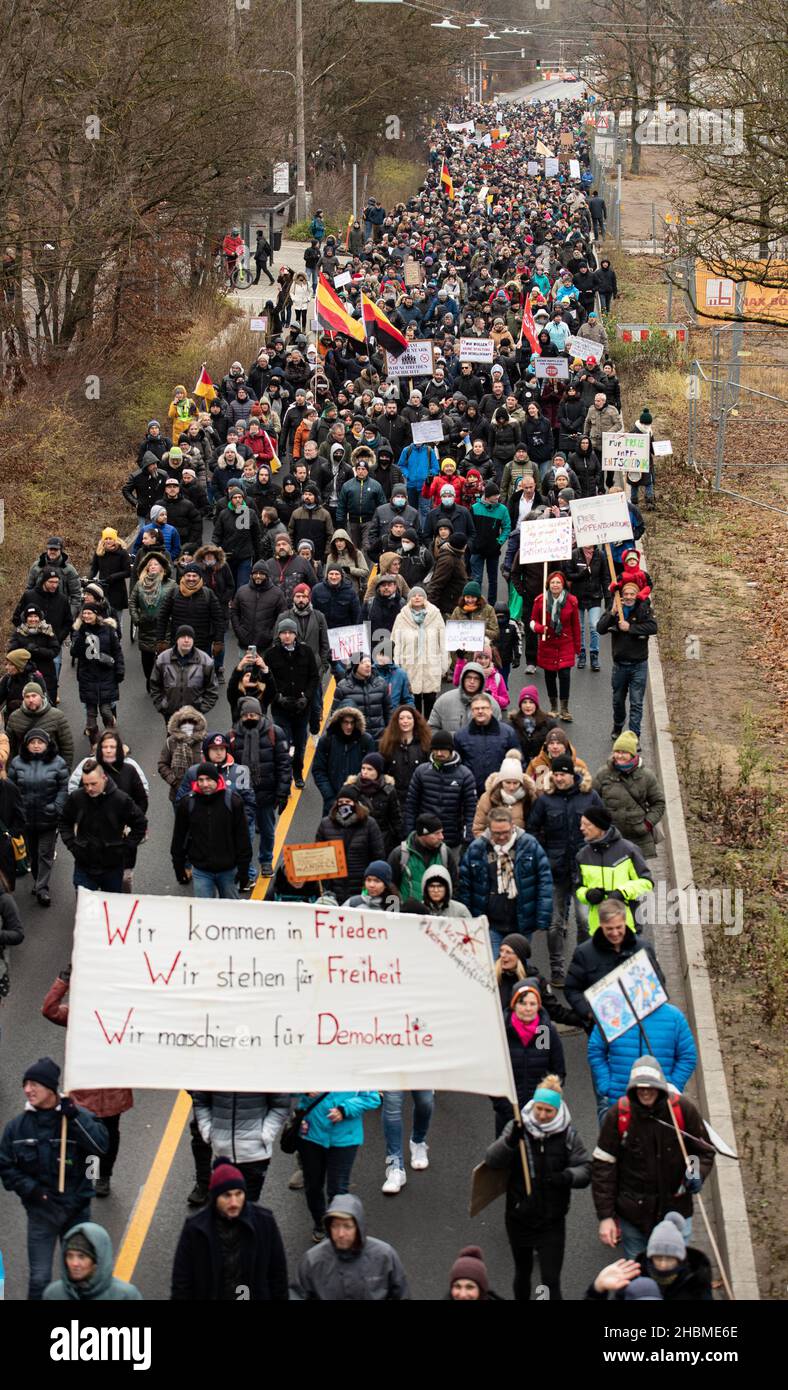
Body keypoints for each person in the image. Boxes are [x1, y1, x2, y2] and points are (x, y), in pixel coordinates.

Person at [0, 1057, 108, 1300]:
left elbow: (100, 1148)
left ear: (50, 1088)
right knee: (39, 1279)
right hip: (41, 1213)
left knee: (78, 1278)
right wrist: (35, 1192)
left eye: (34, 1084)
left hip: (76, 1212)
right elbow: (6, 1167)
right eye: (25, 1084)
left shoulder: (76, 1117)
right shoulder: (16, 1128)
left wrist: (76, 1119)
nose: (27, 1089)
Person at [592, 1055, 715, 1260]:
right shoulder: (618, 1115)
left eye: (650, 1087)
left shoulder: (683, 1110)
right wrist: (606, 1216)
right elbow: (603, 1167)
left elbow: (702, 1151)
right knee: (640, 1277)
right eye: (640, 1087)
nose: (645, 1092)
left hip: (676, 1212)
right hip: (633, 1216)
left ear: (660, 1087)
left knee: (673, 1275)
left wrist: (695, 1173)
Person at [485, 1073, 590, 1302]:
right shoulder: (518, 1126)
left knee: (551, 1280)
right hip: (519, 1215)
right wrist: (510, 1142)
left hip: (552, 1220)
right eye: (539, 1109)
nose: (542, 1115)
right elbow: (492, 1160)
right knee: (522, 1273)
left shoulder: (569, 1135)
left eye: (548, 1111)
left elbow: (585, 1169)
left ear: (557, 1109)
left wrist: (567, 1177)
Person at [41, 968, 134, 1197]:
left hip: (113, 1088)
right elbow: (49, 1010)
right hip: (86, 1090)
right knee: (86, 1134)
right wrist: (63, 980)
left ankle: (104, 1176)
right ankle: (91, 1175)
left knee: (110, 1135)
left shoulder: (125, 1015)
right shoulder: (79, 1015)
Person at [527, 753, 606, 985]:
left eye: (563, 774)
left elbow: (605, 826)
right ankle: (557, 969)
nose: (559, 779)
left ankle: (581, 966)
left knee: (584, 922)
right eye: (556, 774)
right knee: (554, 923)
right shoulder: (545, 801)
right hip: (555, 870)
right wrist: (542, 855)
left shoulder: (589, 797)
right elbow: (532, 829)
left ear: (573, 775)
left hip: (584, 871)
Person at [171, 1159, 288, 1301]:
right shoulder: (195, 1228)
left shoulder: (264, 1222)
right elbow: (182, 1280)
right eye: (227, 1195)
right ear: (215, 1198)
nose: (234, 1202)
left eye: (238, 1194)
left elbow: (278, 1274)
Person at [458, 807, 553, 957]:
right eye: (497, 833)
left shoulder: (529, 845)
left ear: (512, 826)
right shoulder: (477, 849)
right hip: (491, 923)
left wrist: (543, 917)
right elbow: (465, 886)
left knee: (519, 966)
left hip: (521, 922)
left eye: (505, 832)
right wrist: (469, 920)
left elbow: (544, 881)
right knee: (496, 968)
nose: (502, 837)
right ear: (489, 829)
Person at [293, 1087, 381, 1243]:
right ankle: (321, 1224)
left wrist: (344, 1109)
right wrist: (304, 1090)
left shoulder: (355, 1067)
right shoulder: (308, 1063)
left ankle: (336, 1232)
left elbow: (372, 1098)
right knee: (312, 1186)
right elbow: (286, 1088)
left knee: (338, 1190)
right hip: (311, 1135)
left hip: (345, 1139)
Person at [564, 898, 666, 1029]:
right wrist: (589, 1013)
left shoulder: (643, 948)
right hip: (604, 1028)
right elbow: (572, 989)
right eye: (609, 928)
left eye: (619, 927)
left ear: (625, 922)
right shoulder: (584, 953)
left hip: (640, 1024)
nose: (615, 933)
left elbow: (659, 981)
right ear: (601, 924)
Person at [588, 998, 698, 1120]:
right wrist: (606, 1084)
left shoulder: (674, 1017)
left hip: (660, 1105)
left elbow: (687, 1056)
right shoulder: (613, 1013)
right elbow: (596, 1050)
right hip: (620, 1102)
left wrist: (672, 1086)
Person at [294, 1193, 408, 1300]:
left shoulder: (384, 1255)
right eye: (335, 1226)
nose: (340, 1234)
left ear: (359, 1228)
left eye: (347, 1226)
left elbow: (402, 1294)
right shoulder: (312, 1260)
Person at [59, 760, 147, 893]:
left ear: (104, 778)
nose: (89, 788)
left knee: (111, 910)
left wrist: (125, 848)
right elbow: (64, 821)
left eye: (93, 784)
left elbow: (140, 824)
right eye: (86, 784)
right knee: (85, 910)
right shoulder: (77, 797)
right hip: (84, 866)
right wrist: (73, 845)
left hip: (112, 867)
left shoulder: (121, 799)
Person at [171, 761, 252, 899]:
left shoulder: (233, 802)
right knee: (203, 915)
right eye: (201, 780)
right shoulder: (188, 803)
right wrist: (179, 868)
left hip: (228, 869)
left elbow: (242, 838)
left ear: (216, 779)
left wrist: (243, 871)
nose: (205, 784)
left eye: (208, 779)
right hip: (201, 870)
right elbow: (179, 838)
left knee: (230, 913)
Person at [493, 982, 566, 1134]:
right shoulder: (501, 1032)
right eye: (523, 1003)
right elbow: (492, 1074)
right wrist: (505, 1107)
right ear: (514, 1004)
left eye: (532, 1003)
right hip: (508, 1114)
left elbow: (557, 1071)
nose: (528, 1008)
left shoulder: (545, 1032)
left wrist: (542, 1106)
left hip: (539, 1115)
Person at [191, 1091, 290, 1201]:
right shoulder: (214, 1075)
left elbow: (281, 1105)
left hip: (255, 1156)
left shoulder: (266, 1075)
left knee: (248, 1206)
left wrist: (266, 1134)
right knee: (225, 1207)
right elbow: (200, 1102)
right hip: (223, 1153)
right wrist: (207, 1130)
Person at [231, 696, 291, 877]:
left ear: (260, 714)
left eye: (254, 714)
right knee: (245, 835)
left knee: (267, 831)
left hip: (267, 793)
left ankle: (266, 861)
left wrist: (283, 792)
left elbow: (283, 764)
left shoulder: (275, 732)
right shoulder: (233, 736)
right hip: (243, 796)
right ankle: (247, 869)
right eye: (246, 715)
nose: (250, 718)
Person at [8, 729, 69, 906]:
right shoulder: (17, 763)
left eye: (40, 742)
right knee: (32, 854)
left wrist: (56, 807)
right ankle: (38, 880)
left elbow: (63, 788)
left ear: (47, 744)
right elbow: (11, 789)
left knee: (45, 853)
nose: (36, 746)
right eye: (32, 742)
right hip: (25, 819)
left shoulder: (58, 763)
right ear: (26, 744)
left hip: (49, 819)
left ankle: (42, 888)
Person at [574, 804, 654, 935]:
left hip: (627, 927)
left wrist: (622, 893)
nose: (582, 828)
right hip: (597, 930)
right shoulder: (582, 856)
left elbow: (646, 882)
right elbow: (578, 889)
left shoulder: (629, 850)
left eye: (586, 824)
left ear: (600, 826)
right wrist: (588, 894)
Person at [597, 579, 658, 741]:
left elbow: (653, 627)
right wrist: (612, 613)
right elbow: (600, 629)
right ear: (622, 595)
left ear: (637, 595)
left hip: (639, 665)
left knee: (636, 703)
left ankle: (633, 736)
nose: (629, 597)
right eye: (626, 594)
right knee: (618, 700)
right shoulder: (616, 608)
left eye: (632, 594)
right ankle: (618, 725)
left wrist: (630, 628)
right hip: (620, 665)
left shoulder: (643, 609)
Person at [264, 617, 318, 790]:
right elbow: (266, 680)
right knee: (284, 744)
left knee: (300, 744)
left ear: (296, 635)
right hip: (281, 708)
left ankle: (297, 773)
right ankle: (285, 777)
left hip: (302, 709)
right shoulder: (271, 655)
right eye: (283, 633)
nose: (287, 636)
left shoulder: (307, 652)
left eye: (290, 633)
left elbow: (314, 677)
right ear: (279, 635)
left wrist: (307, 697)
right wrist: (277, 697)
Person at [592, 732, 666, 858]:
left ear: (632, 754)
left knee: (637, 876)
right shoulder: (603, 774)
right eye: (617, 751)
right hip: (610, 837)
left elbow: (658, 803)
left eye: (624, 752)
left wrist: (647, 824)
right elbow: (592, 801)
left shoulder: (646, 776)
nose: (619, 756)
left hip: (639, 839)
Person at [405, 730, 476, 852]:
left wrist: (467, 838)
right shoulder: (421, 772)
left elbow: (470, 811)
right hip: (424, 839)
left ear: (451, 750)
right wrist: (410, 834)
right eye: (435, 750)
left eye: (443, 750)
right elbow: (411, 806)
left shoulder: (465, 775)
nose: (439, 753)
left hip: (452, 840)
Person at [315, 786, 384, 901]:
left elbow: (378, 855)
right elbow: (319, 855)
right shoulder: (325, 824)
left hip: (361, 887)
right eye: (340, 802)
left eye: (347, 802)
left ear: (355, 803)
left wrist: (370, 884)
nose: (343, 805)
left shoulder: (369, 824)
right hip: (333, 887)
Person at [43, 1221, 142, 1301]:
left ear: (96, 1261)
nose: (74, 1263)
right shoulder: (53, 1294)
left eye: (82, 1257)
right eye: (70, 1256)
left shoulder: (126, 1296)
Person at [530, 570, 581, 723]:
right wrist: (540, 629)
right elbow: (532, 621)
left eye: (558, 582)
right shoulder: (540, 601)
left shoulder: (572, 601)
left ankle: (564, 709)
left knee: (565, 675)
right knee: (550, 676)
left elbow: (576, 625)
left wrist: (578, 647)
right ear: (549, 584)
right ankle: (553, 707)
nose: (555, 585)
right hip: (548, 644)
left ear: (563, 584)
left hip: (565, 643)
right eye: (553, 582)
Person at [70, 602, 125, 746]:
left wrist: (120, 670)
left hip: (106, 676)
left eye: (90, 613)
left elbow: (117, 651)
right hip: (87, 677)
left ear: (97, 615)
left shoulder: (107, 630)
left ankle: (111, 741)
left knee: (106, 711)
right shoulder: (78, 630)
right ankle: (94, 746)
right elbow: (74, 652)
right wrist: (82, 635)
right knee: (91, 716)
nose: (86, 616)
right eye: (84, 613)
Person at [390, 587, 447, 719]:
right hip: (409, 666)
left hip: (431, 665)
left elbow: (443, 642)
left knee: (430, 701)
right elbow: (395, 642)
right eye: (413, 595)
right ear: (409, 598)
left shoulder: (435, 615)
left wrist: (444, 663)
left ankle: (428, 729)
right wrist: (396, 665)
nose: (417, 597)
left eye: (420, 595)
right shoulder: (401, 617)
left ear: (425, 598)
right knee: (411, 703)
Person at [313, 706, 376, 816]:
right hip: (333, 802)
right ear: (339, 722)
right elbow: (318, 770)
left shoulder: (366, 740)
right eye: (345, 722)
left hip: (358, 802)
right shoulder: (327, 740)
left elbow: (372, 771)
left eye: (352, 723)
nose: (349, 726)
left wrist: (360, 795)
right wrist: (330, 796)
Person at [150, 625, 219, 722]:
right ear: (176, 640)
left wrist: (201, 709)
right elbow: (154, 684)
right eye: (183, 637)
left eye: (190, 637)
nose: (186, 640)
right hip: (171, 715)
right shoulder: (162, 659)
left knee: (195, 737)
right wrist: (162, 706)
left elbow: (212, 688)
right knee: (173, 737)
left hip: (195, 716)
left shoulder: (205, 661)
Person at [454, 693, 519, 795]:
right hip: (471, 792)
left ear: (491, 710)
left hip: (501, 792)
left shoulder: (508, 733)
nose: (480, 711)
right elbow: (457, 767)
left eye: (484, 708)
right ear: (472, 711)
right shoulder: (461, 736)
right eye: (476, 708)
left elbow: (518, 763)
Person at [344, 752, 402, 856]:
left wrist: (400, 841)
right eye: (363, 768)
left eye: (370, 769)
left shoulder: (388, 791)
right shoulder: (351, 789)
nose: (365, 772)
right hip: (357, 840)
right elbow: (342, 818)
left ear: (378, 771)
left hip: (382, 840)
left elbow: (395, 818)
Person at [378, 705, 432, 816]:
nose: (405, 721)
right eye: (401, 718)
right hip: (394, 800)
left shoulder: (425, 745)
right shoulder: (388, 745)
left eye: (409, 718)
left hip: (419, 799)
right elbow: (382, 773)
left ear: (415, 721)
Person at [428, 660, 502, 735]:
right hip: (450, 746)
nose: (472, 681)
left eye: (476, 678)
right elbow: (431, 729)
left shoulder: (492, 704)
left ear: (482, 681)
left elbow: (497, 733)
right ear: (462, 679)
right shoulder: (443, 701)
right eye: (468, 677)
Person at [472, 753, 537, 837]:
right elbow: (478, 829)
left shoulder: (529, 797)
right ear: (501, 781)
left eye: (515, 783)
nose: (511, 787)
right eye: (508, 782)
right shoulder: (488, 798)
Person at [469, 480, 511, 604]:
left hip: (493, 550)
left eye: (498, 495)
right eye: (495, 496)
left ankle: (492, 605)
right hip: (477, 549)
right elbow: (470, 529)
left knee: (493, 580)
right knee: (477, 579)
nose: (497, 498)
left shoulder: (502, 509)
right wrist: (473, 544)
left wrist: (499, 543)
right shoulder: (475, 508)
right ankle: (476, 604)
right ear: (487, 496)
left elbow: (507, 527)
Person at [333, 654, 391, 741]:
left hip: (379, 738)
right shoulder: (343, 687)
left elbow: (388, 711)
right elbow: (335, 716)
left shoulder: (381, 684)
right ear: (355, 666)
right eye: (363, 662)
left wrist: (388, 732)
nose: (368, 665)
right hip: (354, 740)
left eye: (369, 662)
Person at [231, 561, 286, 652]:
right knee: (243, 666)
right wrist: (239, 631)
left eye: (261, 573)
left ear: (267, 575)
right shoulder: (241, 591)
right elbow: (234, 612)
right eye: (255, 573)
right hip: (244, 645)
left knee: (265, 666)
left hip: (266, 646)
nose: (258, 576)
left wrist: (271, 635)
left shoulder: (277, 593)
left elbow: (282, 617)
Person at [566, 543, 604, 671]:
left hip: (595, 596)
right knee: (579, 627)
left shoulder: (600, 555)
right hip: (578, 596)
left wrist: (609, 598)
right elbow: (568, 574)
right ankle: (581, 654)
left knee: (594, 626)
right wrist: (580, 575)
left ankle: (594, 654)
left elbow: (605, 577)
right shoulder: (574, 554)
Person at [509, 685, 554, 766]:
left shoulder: (548, 724)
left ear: (536, 704)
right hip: (519, 767)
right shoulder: (512, 725)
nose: (528, 706)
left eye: (531, 702)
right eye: (524, 702)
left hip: (542, 767)